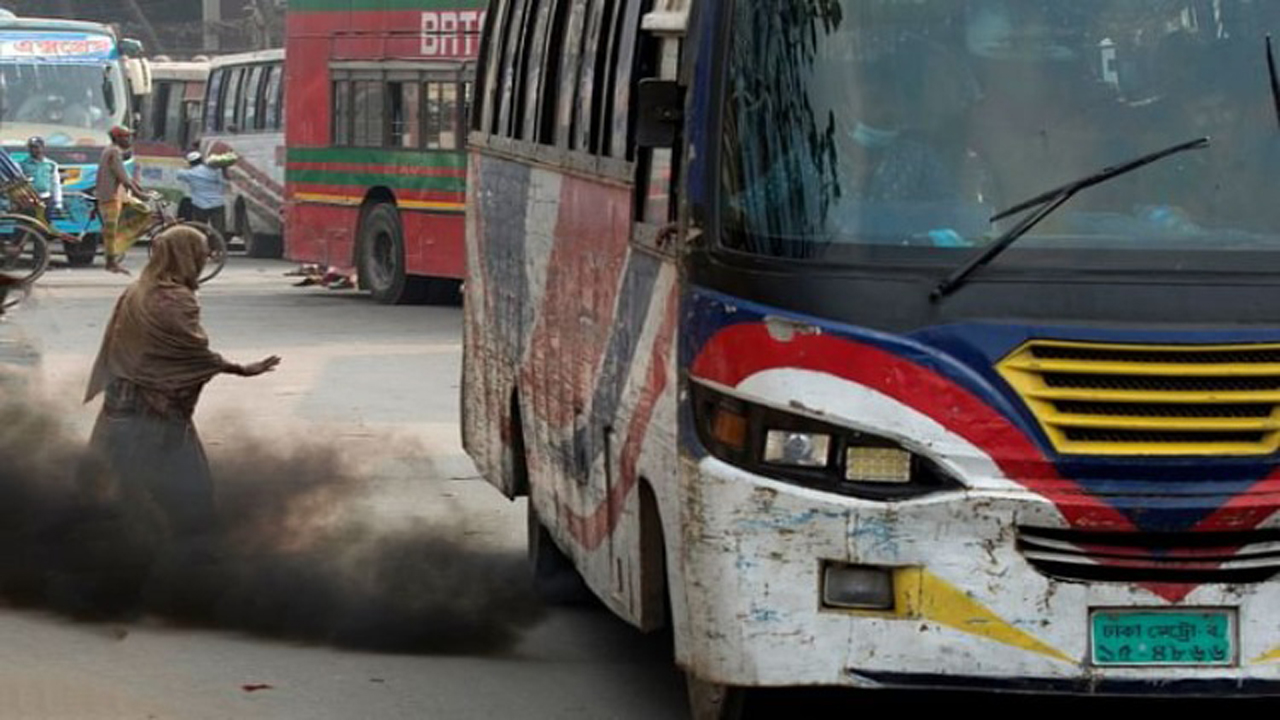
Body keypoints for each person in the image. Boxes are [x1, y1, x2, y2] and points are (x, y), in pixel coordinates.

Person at [84, 226, 280, 535]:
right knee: (186, 488)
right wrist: (239, 369)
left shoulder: (138, 289)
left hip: (120, 399)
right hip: (155, 408)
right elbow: (190, 352)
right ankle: (182, 554)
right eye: (202, 252)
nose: (206, 258)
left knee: (120, 479)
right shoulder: (175, 301)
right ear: (185, 255)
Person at [97, 125, 150, 274]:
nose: (129, 140)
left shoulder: (111, 150)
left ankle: (119, 246)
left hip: (118, 195)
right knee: (111, 231)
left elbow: (126, 177)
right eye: (126, 137)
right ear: (118, 138)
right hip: (110, 196)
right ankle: (111, 261)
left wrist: (138, 188)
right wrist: (139, 193)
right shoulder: (114, 152)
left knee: (141, 210)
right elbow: (123, 178)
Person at [175, 151, 226, 233]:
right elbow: (222, 183)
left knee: (199, 229)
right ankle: (218, 244)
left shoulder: (190, 173)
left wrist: (187, 166)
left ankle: (202, 243)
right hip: (218, 203)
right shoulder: (215, 170)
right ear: (201, 160)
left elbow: (179, 173)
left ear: (190, 163)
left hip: (200, 205)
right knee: (218, 229)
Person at [19, 137, 62, 217]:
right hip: (28, 201)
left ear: (43, 148)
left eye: (36, 147)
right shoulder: (22, 165)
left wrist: (58, 202)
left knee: (44, 226)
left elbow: (55, 184)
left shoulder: (51, 165)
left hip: (45, 199)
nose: (33, 150)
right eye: (31, 147)